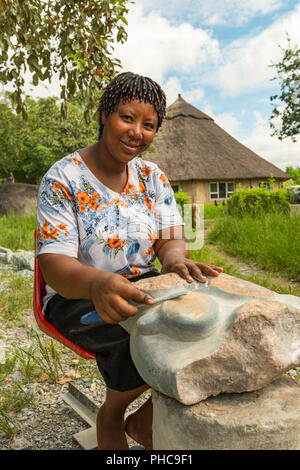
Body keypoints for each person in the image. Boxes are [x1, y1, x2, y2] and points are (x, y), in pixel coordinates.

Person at [36, 72, 223, 450]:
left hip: (145, 284)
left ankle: (145, 421)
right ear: (105, 114)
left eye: (149, 124)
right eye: (127, 117)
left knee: (208, 323)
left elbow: (171, 238)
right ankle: (113, 415)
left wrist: (174, 262)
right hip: (78, 295)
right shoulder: (62, 179)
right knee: (141, 340)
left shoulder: (152, 177)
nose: (137, 132)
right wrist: (95, 283)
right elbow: (54, 265)